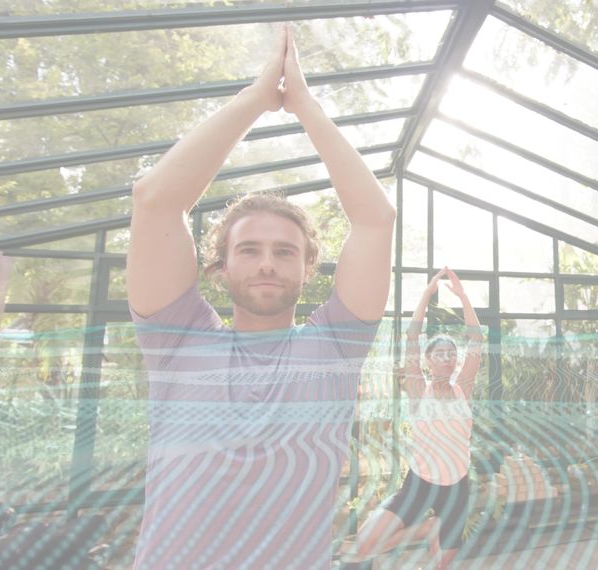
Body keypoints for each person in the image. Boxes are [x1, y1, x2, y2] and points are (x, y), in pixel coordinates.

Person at [127, 26, 394, 569]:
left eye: (284, 251)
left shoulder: (337, 346)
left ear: (307, 268)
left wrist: (305, 104)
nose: (268, 262)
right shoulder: (175, 339)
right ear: (220, 268)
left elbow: (375, 219)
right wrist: (255, 97)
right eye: (248, 250)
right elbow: (154, 199)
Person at [343, 267, 483, 570]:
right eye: (439, 353)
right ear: (428, 361)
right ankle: (427, 528)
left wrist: (462, 296)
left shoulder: (463, 390)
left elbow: (477, 339)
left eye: (451, 353)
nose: (447, 357)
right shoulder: (420, 390)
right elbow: (412, 336)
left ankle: (437, 530)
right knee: (366, 542)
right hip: (420, 483)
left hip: (456, 487)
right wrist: (426, 292)